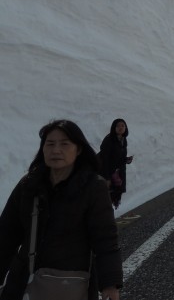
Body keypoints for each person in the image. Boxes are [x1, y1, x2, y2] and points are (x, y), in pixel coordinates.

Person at [0, 119, 123, 300]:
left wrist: (110, 284)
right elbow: (6, 235)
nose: (56, 150)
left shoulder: (93, 187)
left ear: (78, 149)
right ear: (42, 149)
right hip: (23, 283)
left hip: (70, 284)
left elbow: (105, 239)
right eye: (50, 144)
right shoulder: (29, 184)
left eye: (64, 144)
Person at [99, 118, 132, 209]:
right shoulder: (109, 139)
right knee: (105, 199)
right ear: (114, 128)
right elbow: (104, 159)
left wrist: (126, 160)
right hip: (108, 172)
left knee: (113, 197)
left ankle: (109, 219)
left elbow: (118, 157)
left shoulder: (123, 139)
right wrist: (107, 177)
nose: (120, 128)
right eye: (118, 126)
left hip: (117, 173)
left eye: (123, 125)